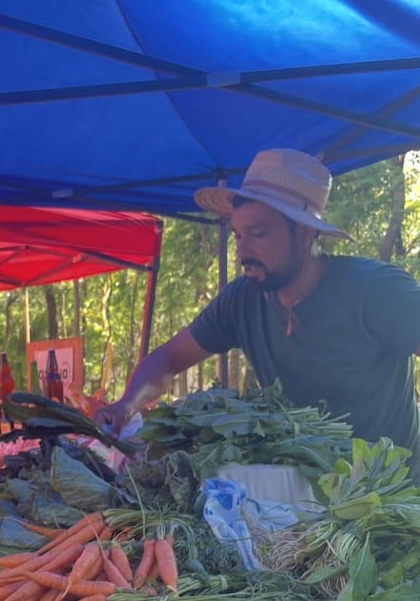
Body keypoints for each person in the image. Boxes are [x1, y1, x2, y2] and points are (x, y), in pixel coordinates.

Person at [97, 149, 420, 482]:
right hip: (311, 496)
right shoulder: (241, 300)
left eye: (259, 234)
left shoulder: (378, 290)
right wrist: (127, 405)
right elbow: (170, 357)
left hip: (397, 499)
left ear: (306, 233)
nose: (242, 250)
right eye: (238, 235)